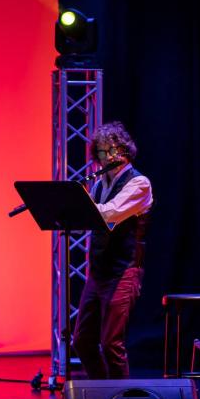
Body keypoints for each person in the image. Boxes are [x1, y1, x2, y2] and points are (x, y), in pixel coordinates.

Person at [73, 121, 152, 379]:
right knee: (82, 342)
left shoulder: (139, 184)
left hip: (123, 271)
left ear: (124, 151)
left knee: (111, 344)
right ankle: (101, 395)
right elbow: (88, 221)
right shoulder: (98, 185)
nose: (105, 157)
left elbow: (112, 213)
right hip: (98, 272)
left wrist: (80, 203)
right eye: (101, 151)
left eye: (111, 150)